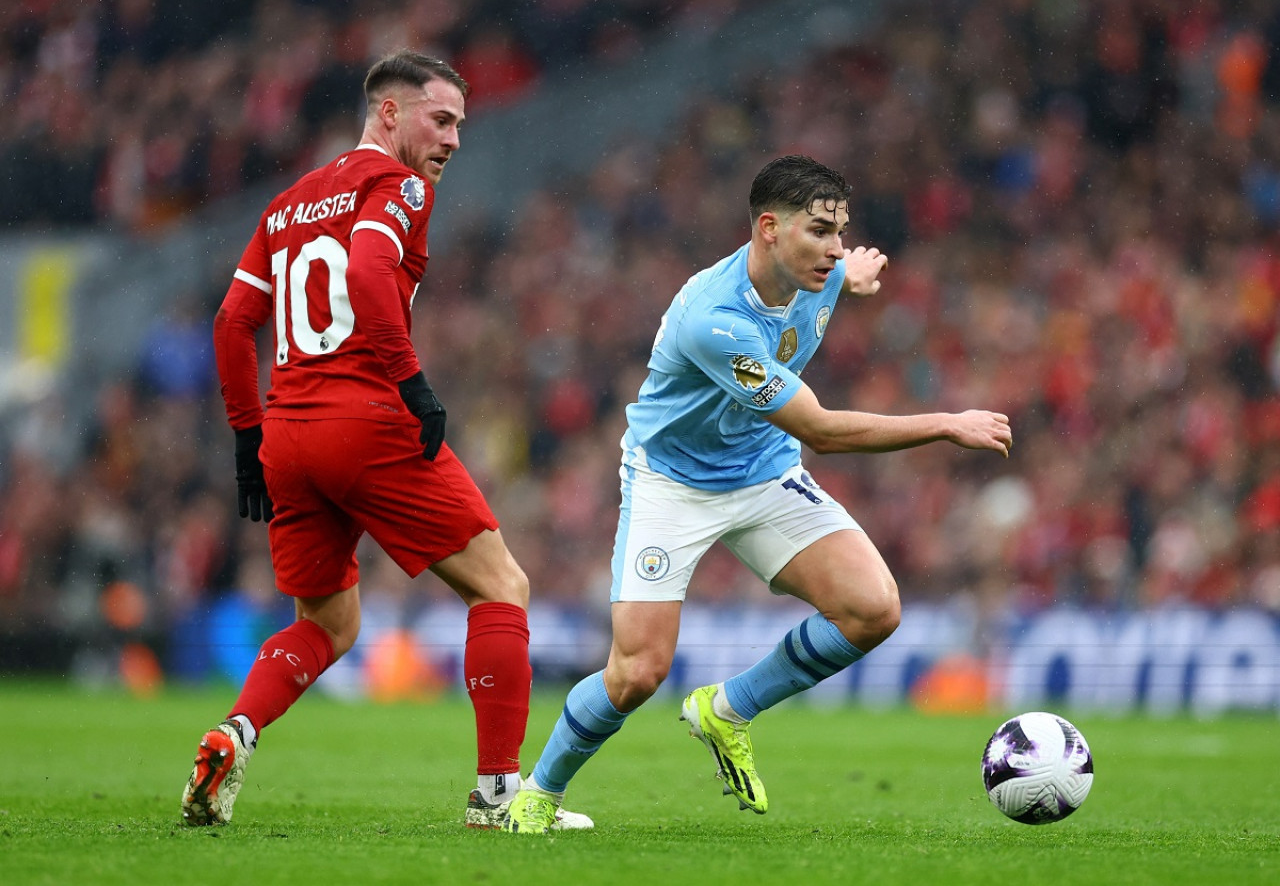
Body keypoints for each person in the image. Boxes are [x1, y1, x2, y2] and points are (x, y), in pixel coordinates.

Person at [503, 155, 1013, 833]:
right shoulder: (716, 320)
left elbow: (837, 286)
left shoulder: (821, 274)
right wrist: (945, 422)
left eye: (840, 232)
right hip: (672, 481)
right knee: (636, 672)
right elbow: (823, 432)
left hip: (763, 469)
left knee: (873, 608)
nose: (834, 248)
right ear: (769, 228)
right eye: (820, 231)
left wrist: (854, 276)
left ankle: (728, 708)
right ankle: (537, 795)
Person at [181, 50, 590, 831]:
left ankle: (233, 733)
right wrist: (411, 380)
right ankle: (498, 795)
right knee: (501, 587)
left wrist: (246, 437)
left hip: (289, 435)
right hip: (362, 420)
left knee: (327, 624)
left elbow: (234, 323)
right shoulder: (397, 185)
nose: (455, 141)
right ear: (389, 113)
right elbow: (369, 268)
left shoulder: (288, 202)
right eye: (442, 120)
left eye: (461, 125)